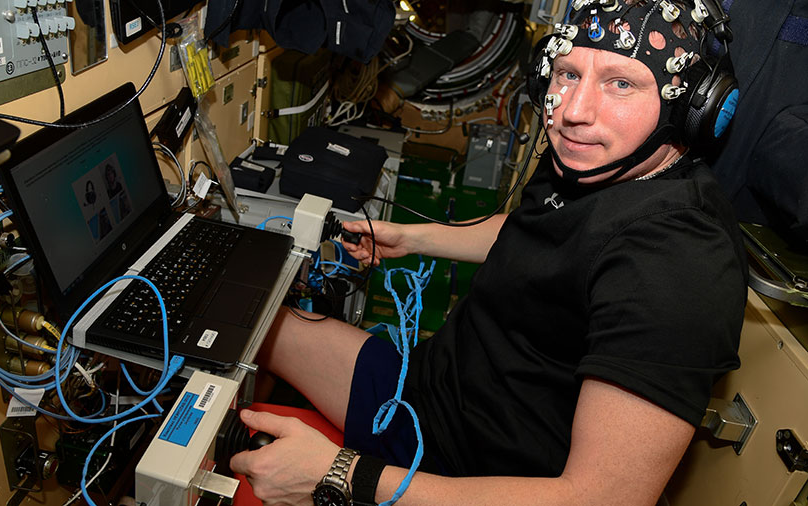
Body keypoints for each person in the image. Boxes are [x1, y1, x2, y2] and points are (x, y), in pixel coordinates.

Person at [230, 1, 748, 504]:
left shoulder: (678, 263)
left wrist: (341, 475)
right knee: (243, 312)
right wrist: (415, 237)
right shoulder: (595, 158)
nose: (572, 111)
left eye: (621, 83)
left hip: (470, 480)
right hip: (425, 393)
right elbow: (538, 233)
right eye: (567, 74)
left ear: (695, 106)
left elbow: (601, 498)